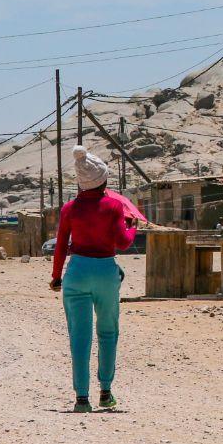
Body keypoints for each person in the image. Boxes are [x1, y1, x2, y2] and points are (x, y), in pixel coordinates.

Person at [50, 144, 146, 413]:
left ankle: (82, 399)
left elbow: (60, 246)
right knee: (108, 332)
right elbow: (123, 243)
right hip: (106, 273)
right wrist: (132, 227)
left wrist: (56, 277)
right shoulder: (114, 206)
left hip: (77, 273)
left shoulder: (69, 209)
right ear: (103, 179)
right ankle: (106, 392)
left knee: (79, 337)